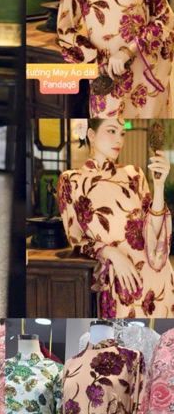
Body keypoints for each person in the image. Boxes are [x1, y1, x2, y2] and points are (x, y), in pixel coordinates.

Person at [57, 117, 174, 316]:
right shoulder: (71, 180)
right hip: (123, 282)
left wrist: (159, 185)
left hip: (158, 277)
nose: (119, 139)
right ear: (91, 134)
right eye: (111, 131)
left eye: (122, 133)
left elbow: (154, 232)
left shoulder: (134, 174)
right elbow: (76, 238)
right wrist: (110, 253)